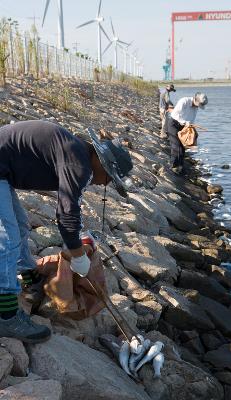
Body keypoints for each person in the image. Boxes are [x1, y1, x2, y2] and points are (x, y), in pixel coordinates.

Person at [0, 120, 133, 343]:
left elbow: (69, 209)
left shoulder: (77, 153)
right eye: (109, 177)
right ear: (101, 163)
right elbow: (66, 215)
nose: (105, 183)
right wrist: (78, 255)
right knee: (8, 236)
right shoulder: (79, 164)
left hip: (3, 170)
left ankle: (29, 278)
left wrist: (77, 240)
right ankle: (6, 315)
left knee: (21, 224)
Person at [168, 92, 208, 174]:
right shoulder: (184, 101)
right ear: (195, 99)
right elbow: (174, 114)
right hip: (174, 124)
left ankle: (181, 166)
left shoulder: (196, 107)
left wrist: (191, 128)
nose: (198, 107)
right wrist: (184, 122)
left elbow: (192, 118)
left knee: (182, 147)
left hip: (185, 126)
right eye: (199, 104)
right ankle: (173, 167)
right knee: (176, 145)